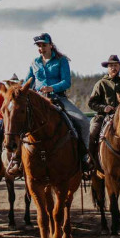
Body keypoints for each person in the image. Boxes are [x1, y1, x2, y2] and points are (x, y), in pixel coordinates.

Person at [21, 32, 93, 178]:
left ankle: (84, 156)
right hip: (38, 101)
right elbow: (26, 82)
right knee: (19, 122)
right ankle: (16, 161)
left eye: (43, 45)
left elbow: (67, 82)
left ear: (51, 45)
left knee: (84, 122)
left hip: (58, 98)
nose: (41, 48)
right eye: (39, 46)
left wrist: (51, 88)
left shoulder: (61, 61)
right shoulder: (34, 62)